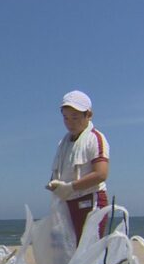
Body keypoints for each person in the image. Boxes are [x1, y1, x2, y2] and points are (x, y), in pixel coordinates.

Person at [47, 90, 110, 243]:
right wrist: (54, 185)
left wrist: (71, 187)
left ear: (88, 115)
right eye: (66, 118)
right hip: (67, 204)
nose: (70, 123)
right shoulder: (63, 143)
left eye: (75, 117)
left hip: (90, 203)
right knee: (69, 254)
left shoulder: (95, 138)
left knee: (88, 253)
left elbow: (101, 173)